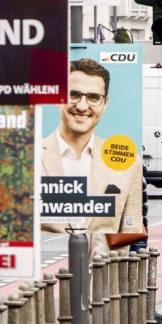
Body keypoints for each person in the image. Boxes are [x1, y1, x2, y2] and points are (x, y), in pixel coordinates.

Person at [39, 59, 144, 253]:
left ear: (104, 104)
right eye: (74, 95)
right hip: (46, 280)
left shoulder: (127, 162)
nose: (82, 106)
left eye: (94, 97)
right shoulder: (29, 158)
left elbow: (131, 230)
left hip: (103, 279)